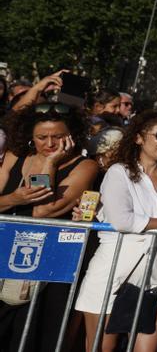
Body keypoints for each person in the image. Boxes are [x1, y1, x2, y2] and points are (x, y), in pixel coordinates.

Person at [74, 111, 157, 352]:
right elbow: (121, 220)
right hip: (112, 270)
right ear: (139, 138)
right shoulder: (119, 172)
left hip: (155, 275)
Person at [0, 103, 99, 351]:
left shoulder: (85, 166)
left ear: (71, 136)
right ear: (30, 137)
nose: (50, 143)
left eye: (58, 137)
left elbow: (44, 208)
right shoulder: (14, 157)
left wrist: (51, 163)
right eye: (42, 137)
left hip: (50, 265)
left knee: (34, 336)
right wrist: (14, 199)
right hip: (5, 255)